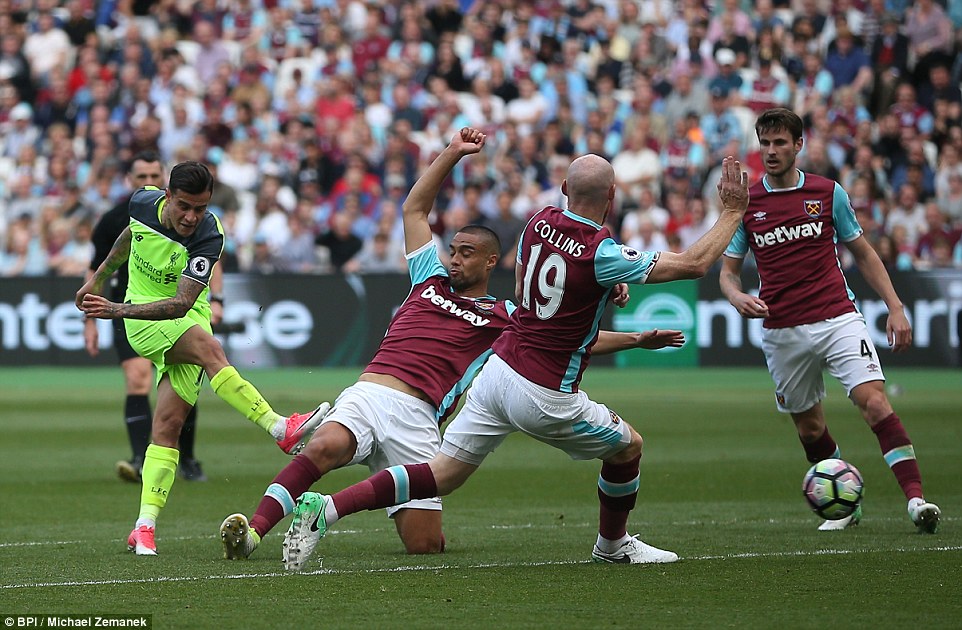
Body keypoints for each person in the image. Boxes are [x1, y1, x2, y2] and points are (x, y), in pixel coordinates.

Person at [278, 142, 751, 571]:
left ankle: (328, 508)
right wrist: (732, 212)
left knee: (441, 475)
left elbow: (559, 280)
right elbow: (693, 264)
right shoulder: (600, 252)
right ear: (612, 198)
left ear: (564, 189)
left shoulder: (537, 222)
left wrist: (610, 281)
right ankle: (613, 545)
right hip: (545, 392)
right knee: (629, 447)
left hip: (498, 373)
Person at [75, 160, 328, 556]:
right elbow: (130, 235)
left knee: (169, 424)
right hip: (142, 319)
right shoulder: (141, 203)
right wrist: (100, 278)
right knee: (211, 351)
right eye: (185, 207)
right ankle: (280, 428)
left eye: (201, 208)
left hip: (182, 313)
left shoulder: (210, 234)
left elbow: (181, 304)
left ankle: (143, 527)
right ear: (167, 197)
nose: (192, 217)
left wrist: (112, 309)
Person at [718, 108, 941, 534]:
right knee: (810, 427)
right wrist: (735, 296)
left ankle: (916, 500)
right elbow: (728, 272)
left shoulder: (827, 193)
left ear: (798, 145)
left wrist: (895, 306)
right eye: (764, 143)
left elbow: (863, 252)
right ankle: (847, 504)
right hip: (781, 330)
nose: (771, 151)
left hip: (838, 315)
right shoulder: (747, 205)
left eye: (780, 142)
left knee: (874, 402)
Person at [84, 151, 214, 483]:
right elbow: (99, 263)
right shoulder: (119, 216)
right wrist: (90, 315)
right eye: (141, 178)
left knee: (180, 384)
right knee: (138, 379)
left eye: (154, 176)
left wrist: (220, 298)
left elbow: (213, 260)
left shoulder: (191, 216)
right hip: (127, 308)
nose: (148, 183)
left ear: (164, 180)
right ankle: (141, 457)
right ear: (131, 181)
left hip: (172, 308)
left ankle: (187, 458)